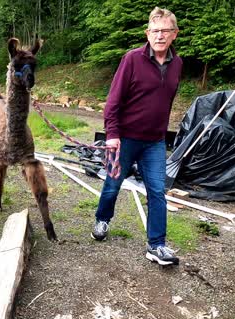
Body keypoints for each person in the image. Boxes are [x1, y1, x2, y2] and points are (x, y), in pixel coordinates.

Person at [91, 7, 182, 266]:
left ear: (174, 34)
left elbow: (167, 100)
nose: (160, 36)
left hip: (154, 142)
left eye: (165, 31)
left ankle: (157, 245)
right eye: (155, 31)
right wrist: (112, 134)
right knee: (112, 185)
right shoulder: (132, 59)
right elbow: (113, 101)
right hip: (124, 140)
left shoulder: (177, 64)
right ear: (147, 33)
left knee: (157, 191)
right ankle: (102, 220)